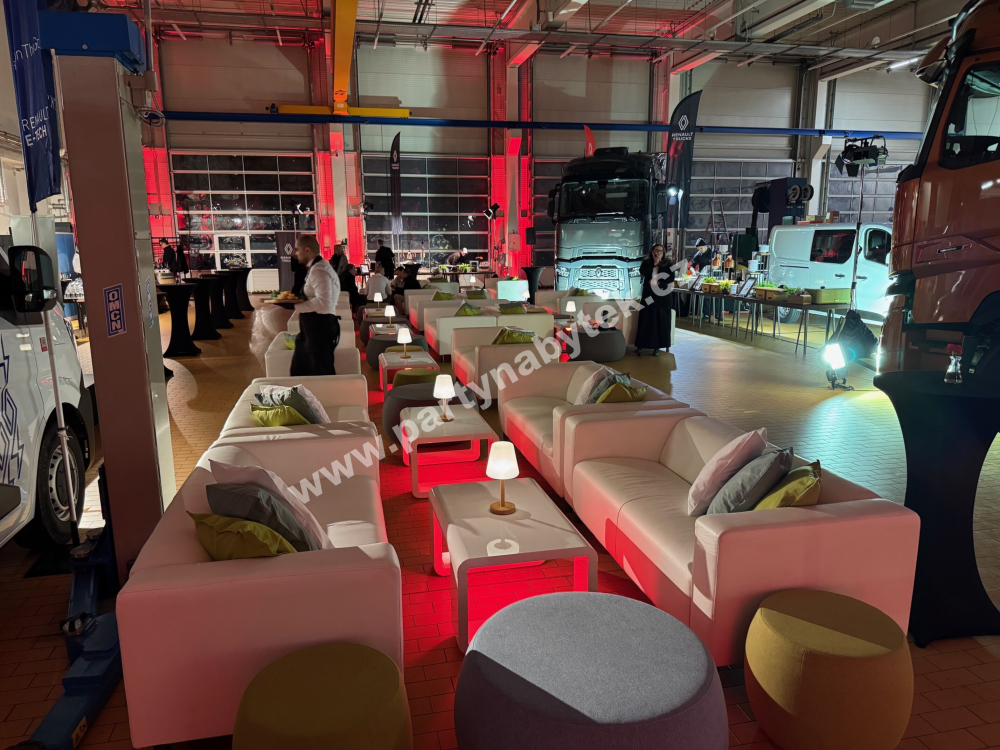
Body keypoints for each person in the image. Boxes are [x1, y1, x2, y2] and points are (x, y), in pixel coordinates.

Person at [290, 236, 341, 376]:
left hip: (319, 328)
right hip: (314, 328)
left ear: (307, 250)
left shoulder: (319, 270)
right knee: (305, 370)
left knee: (319, 372)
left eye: (297, 250)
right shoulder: (317, 268)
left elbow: (324, 302)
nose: (296, 253)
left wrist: (295, 306)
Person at [634, 244, 676, 356]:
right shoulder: (647, 263)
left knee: (660, 321)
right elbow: (643, 272)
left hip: (662, 297)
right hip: (649, 296)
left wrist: (660, 282)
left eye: (661, 251)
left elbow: (671, 277)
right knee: (645, 318)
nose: (658, 253)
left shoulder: (668, 264)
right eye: (656, 251)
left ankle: (657, 347)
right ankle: (640, 345)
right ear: (652, 251)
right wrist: (655, 263)